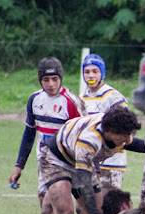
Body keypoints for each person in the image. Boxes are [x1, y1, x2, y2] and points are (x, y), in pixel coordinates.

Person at [8, 57, 86, 206]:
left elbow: (86, 137)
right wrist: (19, 166)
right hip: (46, 163)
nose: (51, 84)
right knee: (48, 209)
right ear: (40, 80)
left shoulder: (72, 102)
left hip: (71, 163)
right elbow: (29, 134)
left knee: (83, 209)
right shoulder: (35, 100)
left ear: (61, 78)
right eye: (46, 79)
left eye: (55, 79)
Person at [76, 53, 130, 214]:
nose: (91, 75)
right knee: (82, 206)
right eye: (87, 71)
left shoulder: (113, 97)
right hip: (90, 163)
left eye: (95, 71)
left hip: (111, 163)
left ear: (102, 73)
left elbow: (126, 126)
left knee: (108, 209)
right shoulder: (81, 99)